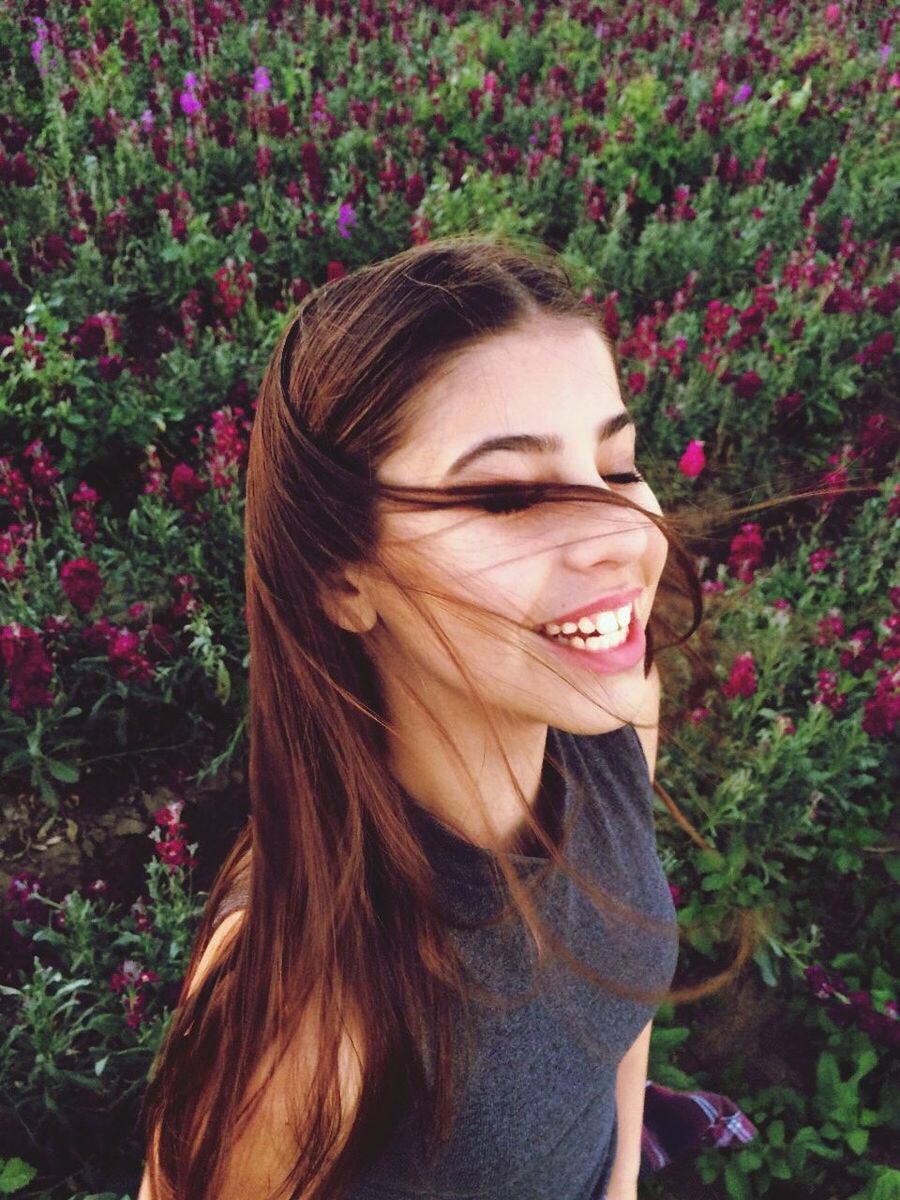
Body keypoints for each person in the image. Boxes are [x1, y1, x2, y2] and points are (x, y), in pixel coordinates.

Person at [137, 233, 756, 1200]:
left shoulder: (615, 719)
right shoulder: (309, 1019)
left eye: (619, 464)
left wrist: (623, 1179)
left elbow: (615, 1016)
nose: (620, 535)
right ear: (344, 579)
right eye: (509, 495)